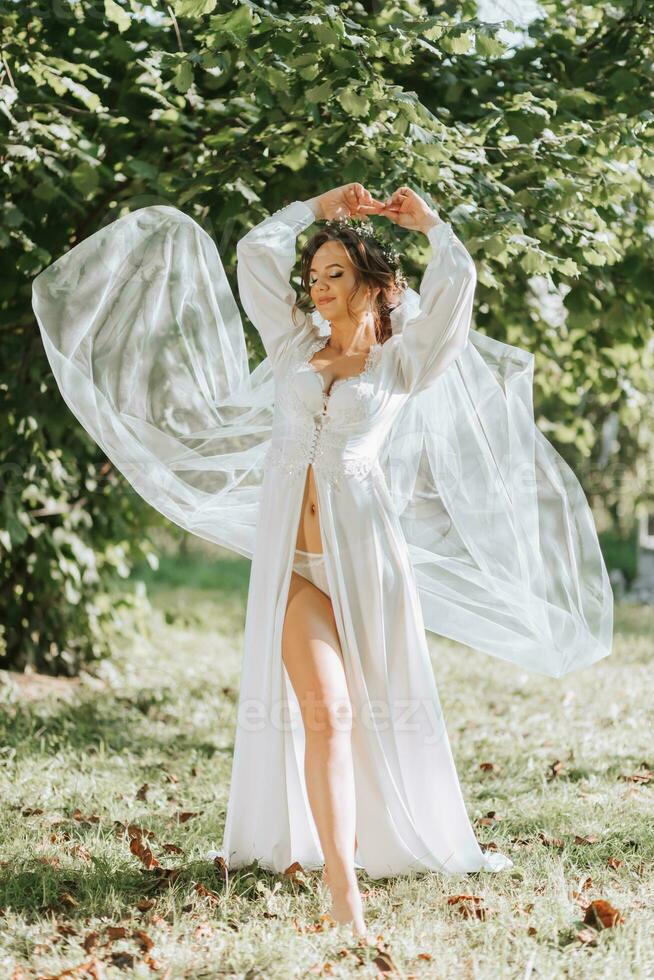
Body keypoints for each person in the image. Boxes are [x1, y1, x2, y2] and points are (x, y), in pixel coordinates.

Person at [32, 182, 613, 939]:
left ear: (375, 285)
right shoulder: (292, 348)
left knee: (381, 716)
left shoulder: (404, 364)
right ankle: (346, 897)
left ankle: (396, 832)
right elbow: (252, 253)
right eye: (315, 275)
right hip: (296, 564)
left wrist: (429, 223)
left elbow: (458, 289)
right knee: (327, 716)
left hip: (367, 562)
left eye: (336, 272)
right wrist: (318, 208)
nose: (317, 283)